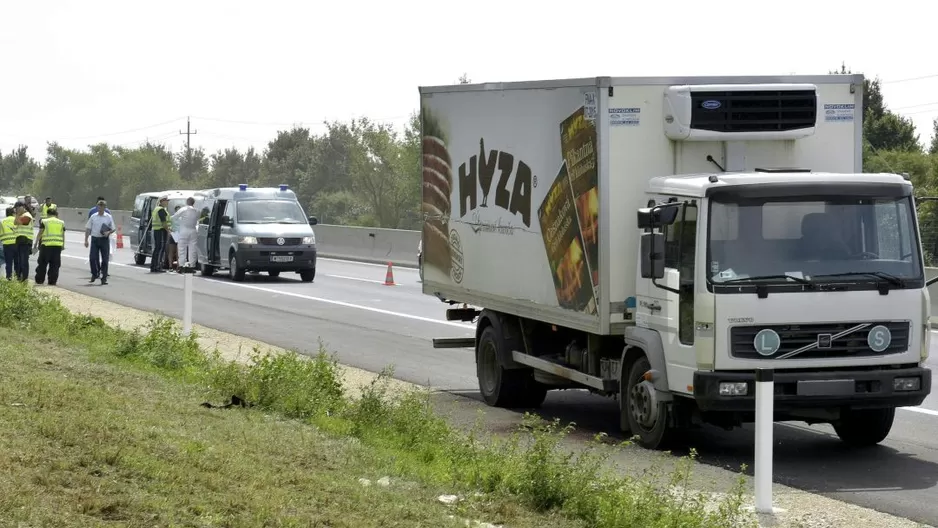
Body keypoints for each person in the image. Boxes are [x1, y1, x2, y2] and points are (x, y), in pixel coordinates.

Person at [84, 199, 115, 285]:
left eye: (102, 206)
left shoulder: (108, 217)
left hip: (104, 240)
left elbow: (113, 228)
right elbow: (88, 228)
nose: (100, 208)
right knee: (93, 258)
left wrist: (108, 232)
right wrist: (86, 240)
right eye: (99, 206)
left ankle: (104, 278)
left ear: (105, 207)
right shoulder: (93, 216)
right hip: (95, 239)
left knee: (105, 260)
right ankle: (95, 274)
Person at [34, 207, 64, 286]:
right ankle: (52, 281)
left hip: (46, 246)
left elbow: (40, 233)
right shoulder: (61, 222)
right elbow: (63, 234)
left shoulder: (45, 221)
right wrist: (63, 245)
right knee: (55, 265)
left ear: (47, 214)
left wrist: (36, 243)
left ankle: (40, 280)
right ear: (55, 214)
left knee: (42, 264)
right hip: (57, 246)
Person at [172, 197, 200, 268]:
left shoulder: (183, 209)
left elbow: (174, 217)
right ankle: (192, 265)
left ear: (187, 202)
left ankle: (181, 265)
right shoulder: (197, 211)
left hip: (183, 231)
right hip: (193, 230)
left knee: (182, 248)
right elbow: (198, 219)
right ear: (193, 203)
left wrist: (179, 222)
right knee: (192, 249)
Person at [13, 201, 33, 281]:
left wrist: (17, 214)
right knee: (19, 261)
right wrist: (18, 214)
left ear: (22, 207)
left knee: (24, 261)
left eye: (18, 208)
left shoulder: (27, 215)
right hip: (20, 240)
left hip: (26, 240)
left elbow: (19, 222)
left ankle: (24, 278)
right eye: (16, 209)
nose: (16, 210)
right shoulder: (21, 215)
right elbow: (15, 222)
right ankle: (19, 277)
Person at [150, 196, 170, 273]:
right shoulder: (161, 210)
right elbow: (164, 223)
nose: (167, 202)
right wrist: (168, 231)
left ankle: (154, 266)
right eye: (166, 201)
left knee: (157, 248)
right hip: (161, 231)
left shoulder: (157, 209)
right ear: (162, 201)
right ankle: (157, 266)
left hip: (157, 230)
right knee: (160, 248)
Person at [0, 207, 16, 279]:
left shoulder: (2, 221)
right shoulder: (17, 220)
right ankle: (17, 277)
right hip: (17, 243)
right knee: (17, 262)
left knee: (8, 262)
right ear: (13, 213)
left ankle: (9, 277)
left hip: (7, 244)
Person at [165, 205, 180, 272]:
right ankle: (178, 266)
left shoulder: (171, 217)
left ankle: (170, 266)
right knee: (178, 252)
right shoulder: (183, 218)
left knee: (171, 251)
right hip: (179, 235)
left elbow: (168, 226)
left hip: (173, 234)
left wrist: (170, 231)